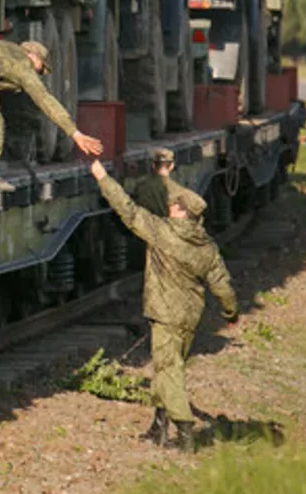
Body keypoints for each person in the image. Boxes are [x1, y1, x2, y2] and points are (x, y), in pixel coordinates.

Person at [90, 159, 238, 450]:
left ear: (181, 211)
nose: (169, 206)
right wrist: (230, 311)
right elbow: (222, 285)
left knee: (168, 371)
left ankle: (185, 433)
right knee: (166, 367)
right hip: (190, 316)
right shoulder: (207, 245)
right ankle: (158, 428)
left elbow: (128, 210)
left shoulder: (162, 233)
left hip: (166, 314)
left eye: (174, 204)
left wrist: (102, 177)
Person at [0, 38, 104, 194]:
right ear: (33, 56)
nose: (40, 72)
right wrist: (75, 133)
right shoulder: (23, 64)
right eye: (41, 67)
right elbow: (45, 100)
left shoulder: (4, 49)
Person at [135, 148, 208, 219]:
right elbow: (200, 204)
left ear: (153, 165)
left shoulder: (141, 186)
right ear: (171, 166)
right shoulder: (174, 188)